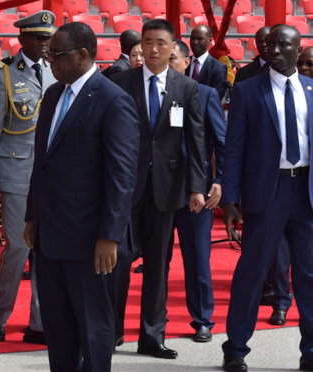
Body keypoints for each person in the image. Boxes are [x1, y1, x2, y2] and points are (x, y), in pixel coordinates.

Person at [23, 21, 139, 371]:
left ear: (83, 55)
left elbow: (121, 177)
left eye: (56, 55)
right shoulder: (54, 95)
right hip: (50, 235)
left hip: (90, 240)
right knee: (58, 330)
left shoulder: (112, 100)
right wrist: (32, 215)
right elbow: (41, 164)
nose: (50, 62)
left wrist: (109, 236)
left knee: (93, 328)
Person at [110, 19, 206, 359]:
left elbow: (195, 141)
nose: (153, 49)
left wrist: (197, 186)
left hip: (166, 189)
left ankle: (151, 336)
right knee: (117, 257)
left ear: (172, 47)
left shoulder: (185, 87)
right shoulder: (120, 83)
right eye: (147, 42)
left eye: (160, 43)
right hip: (124, 186)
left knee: (157, 264)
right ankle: (111, 331)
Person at [220, 24, 313, 372]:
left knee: (309, 275)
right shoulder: (247, 91)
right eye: (270, 44)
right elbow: (234, 149)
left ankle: (311, 351)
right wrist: (230, 198)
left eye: (282, 45)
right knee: (252, 273)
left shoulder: (310, 89)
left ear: (298, 48)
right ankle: (235, 349)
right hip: (266, 193)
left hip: (305, 193)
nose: (273, 50)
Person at [0, 10, 57, 344]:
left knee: (44, 249)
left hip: (50, 176)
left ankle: (38, 323)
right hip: (14, 174)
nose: (44, 43)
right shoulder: (4, 73)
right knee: (17, 249)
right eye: (39, 37)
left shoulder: (56, 71)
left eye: (47, 38)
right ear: (22, 38)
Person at [167, 38, 226, 343]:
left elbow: (223, 142)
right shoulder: (155, 94)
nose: (169, 63)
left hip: (196, 191)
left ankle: (202, 318)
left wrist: (220, 180)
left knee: (197, 259)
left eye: (174, 58)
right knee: (155, 259)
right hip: (159, 191)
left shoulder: (205, 94)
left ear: (187, 62)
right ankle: (154, 320)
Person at [187, 24, 228, 99]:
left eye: (200, 39)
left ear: (210, 40)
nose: (195, 42)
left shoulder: (218, 68)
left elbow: (216, 97)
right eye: (192, 38)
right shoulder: (183, 63)